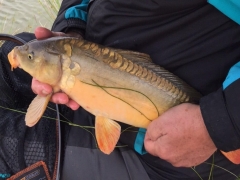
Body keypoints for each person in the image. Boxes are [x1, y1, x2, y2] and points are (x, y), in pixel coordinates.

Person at [0, 0, 240, 179]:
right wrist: (73, 28)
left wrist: (217, 123)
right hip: (91, 71)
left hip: (170, 146)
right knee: (8, 51)